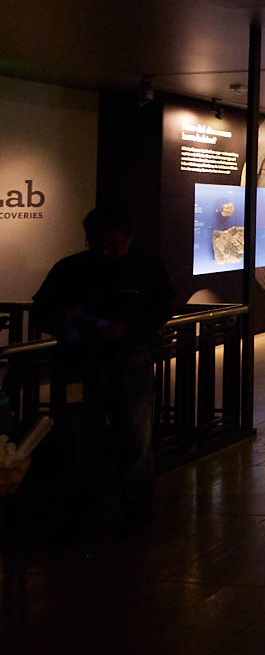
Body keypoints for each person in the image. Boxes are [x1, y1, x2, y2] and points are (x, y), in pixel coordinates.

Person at [32, 204, 174, 530]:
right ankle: (83, 514)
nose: (105, 251)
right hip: (80, 364)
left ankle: (136, 513)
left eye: (114, 245)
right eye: (96, 244)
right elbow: (40, 312)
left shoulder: (146, 267)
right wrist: (60, 318)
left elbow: (162, 311)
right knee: (79, 440)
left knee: (135, 441)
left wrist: (129, 330)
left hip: (129, 362)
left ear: (130, 238)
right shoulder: (68, 268)